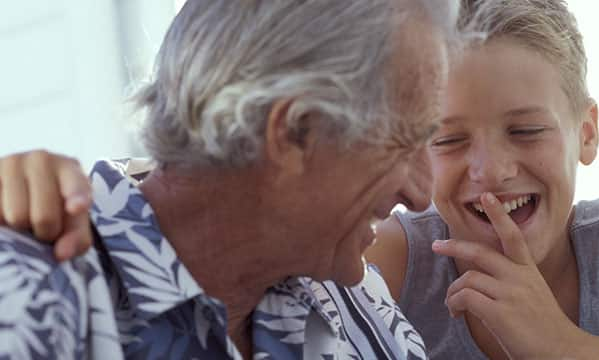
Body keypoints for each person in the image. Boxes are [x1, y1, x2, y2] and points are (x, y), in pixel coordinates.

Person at [0, 0, 459, 358]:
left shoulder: (352, 298)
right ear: (293, 131)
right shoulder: (30, 296)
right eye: (404, 141)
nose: (421, 195)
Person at [364, 0, 599, 359]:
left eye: (526, 131)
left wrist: (564, 346)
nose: (490, 171)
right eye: (448, 140)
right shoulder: (385, 266)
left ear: (586, 134)